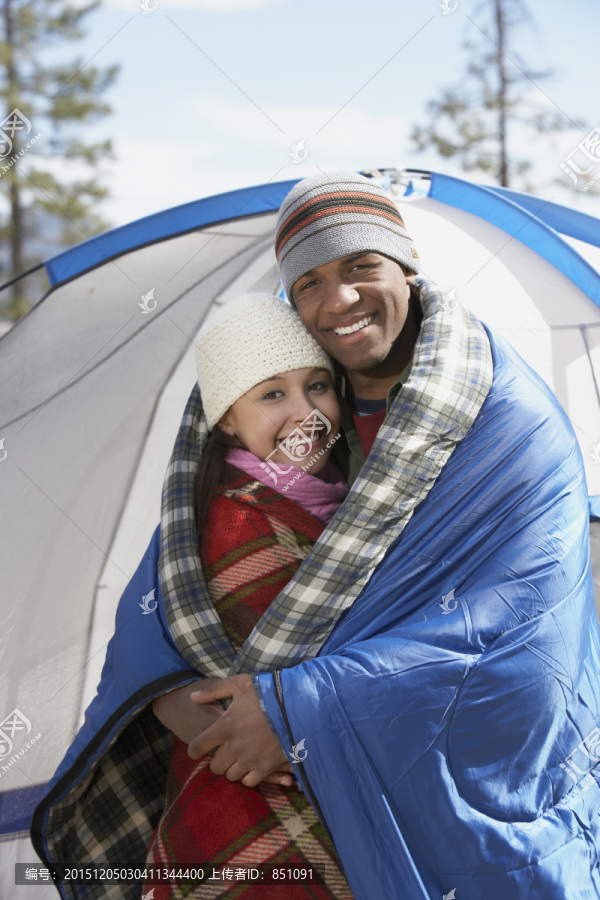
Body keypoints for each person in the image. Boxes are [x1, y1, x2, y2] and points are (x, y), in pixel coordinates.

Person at [32, 171, 600, 900]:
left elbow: (516, 633)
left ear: (406, 264)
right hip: (255, 785)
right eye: (309, 282)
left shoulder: (506, 421)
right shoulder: (298, 378)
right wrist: (181, 704)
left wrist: (296, 709)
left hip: (441, 783)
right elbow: (168, 592)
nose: (338, 299)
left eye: (361, 266)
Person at [143, 292, 352, 898]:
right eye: (271, 394)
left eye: (319, 385)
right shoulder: (224, 524)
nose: (305, 412)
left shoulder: (348, 508)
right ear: (227, 419)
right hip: (241, 813)